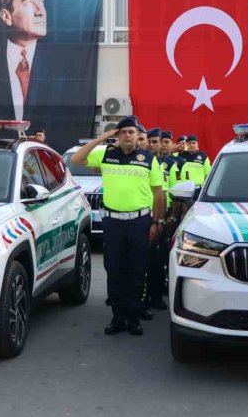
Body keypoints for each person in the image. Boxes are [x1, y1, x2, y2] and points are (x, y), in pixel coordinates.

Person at [71, 116, 165, 336]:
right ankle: (118, 317)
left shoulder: (148, 158)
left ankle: (133, 318)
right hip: (113, 223)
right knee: (114, 270)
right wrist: (104, 137)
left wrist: (156, 222)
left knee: (136, 271)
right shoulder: (106, 155)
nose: (128, 136)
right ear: (118, 135)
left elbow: (158, 192)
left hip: (140, 223)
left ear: (136, 135)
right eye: (123, 132)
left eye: (132, 132)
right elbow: (76, 158)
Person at [144, 128, 168, 312]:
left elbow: (170, 192)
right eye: (149, 141)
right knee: (144, 261)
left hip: (165, 218)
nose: (152, 145)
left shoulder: (171, 164)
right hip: (145, 217)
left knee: (160, 261)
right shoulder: (141, 162)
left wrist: (162, 220)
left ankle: (157, 295)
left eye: (155, 141)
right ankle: (143, 298)